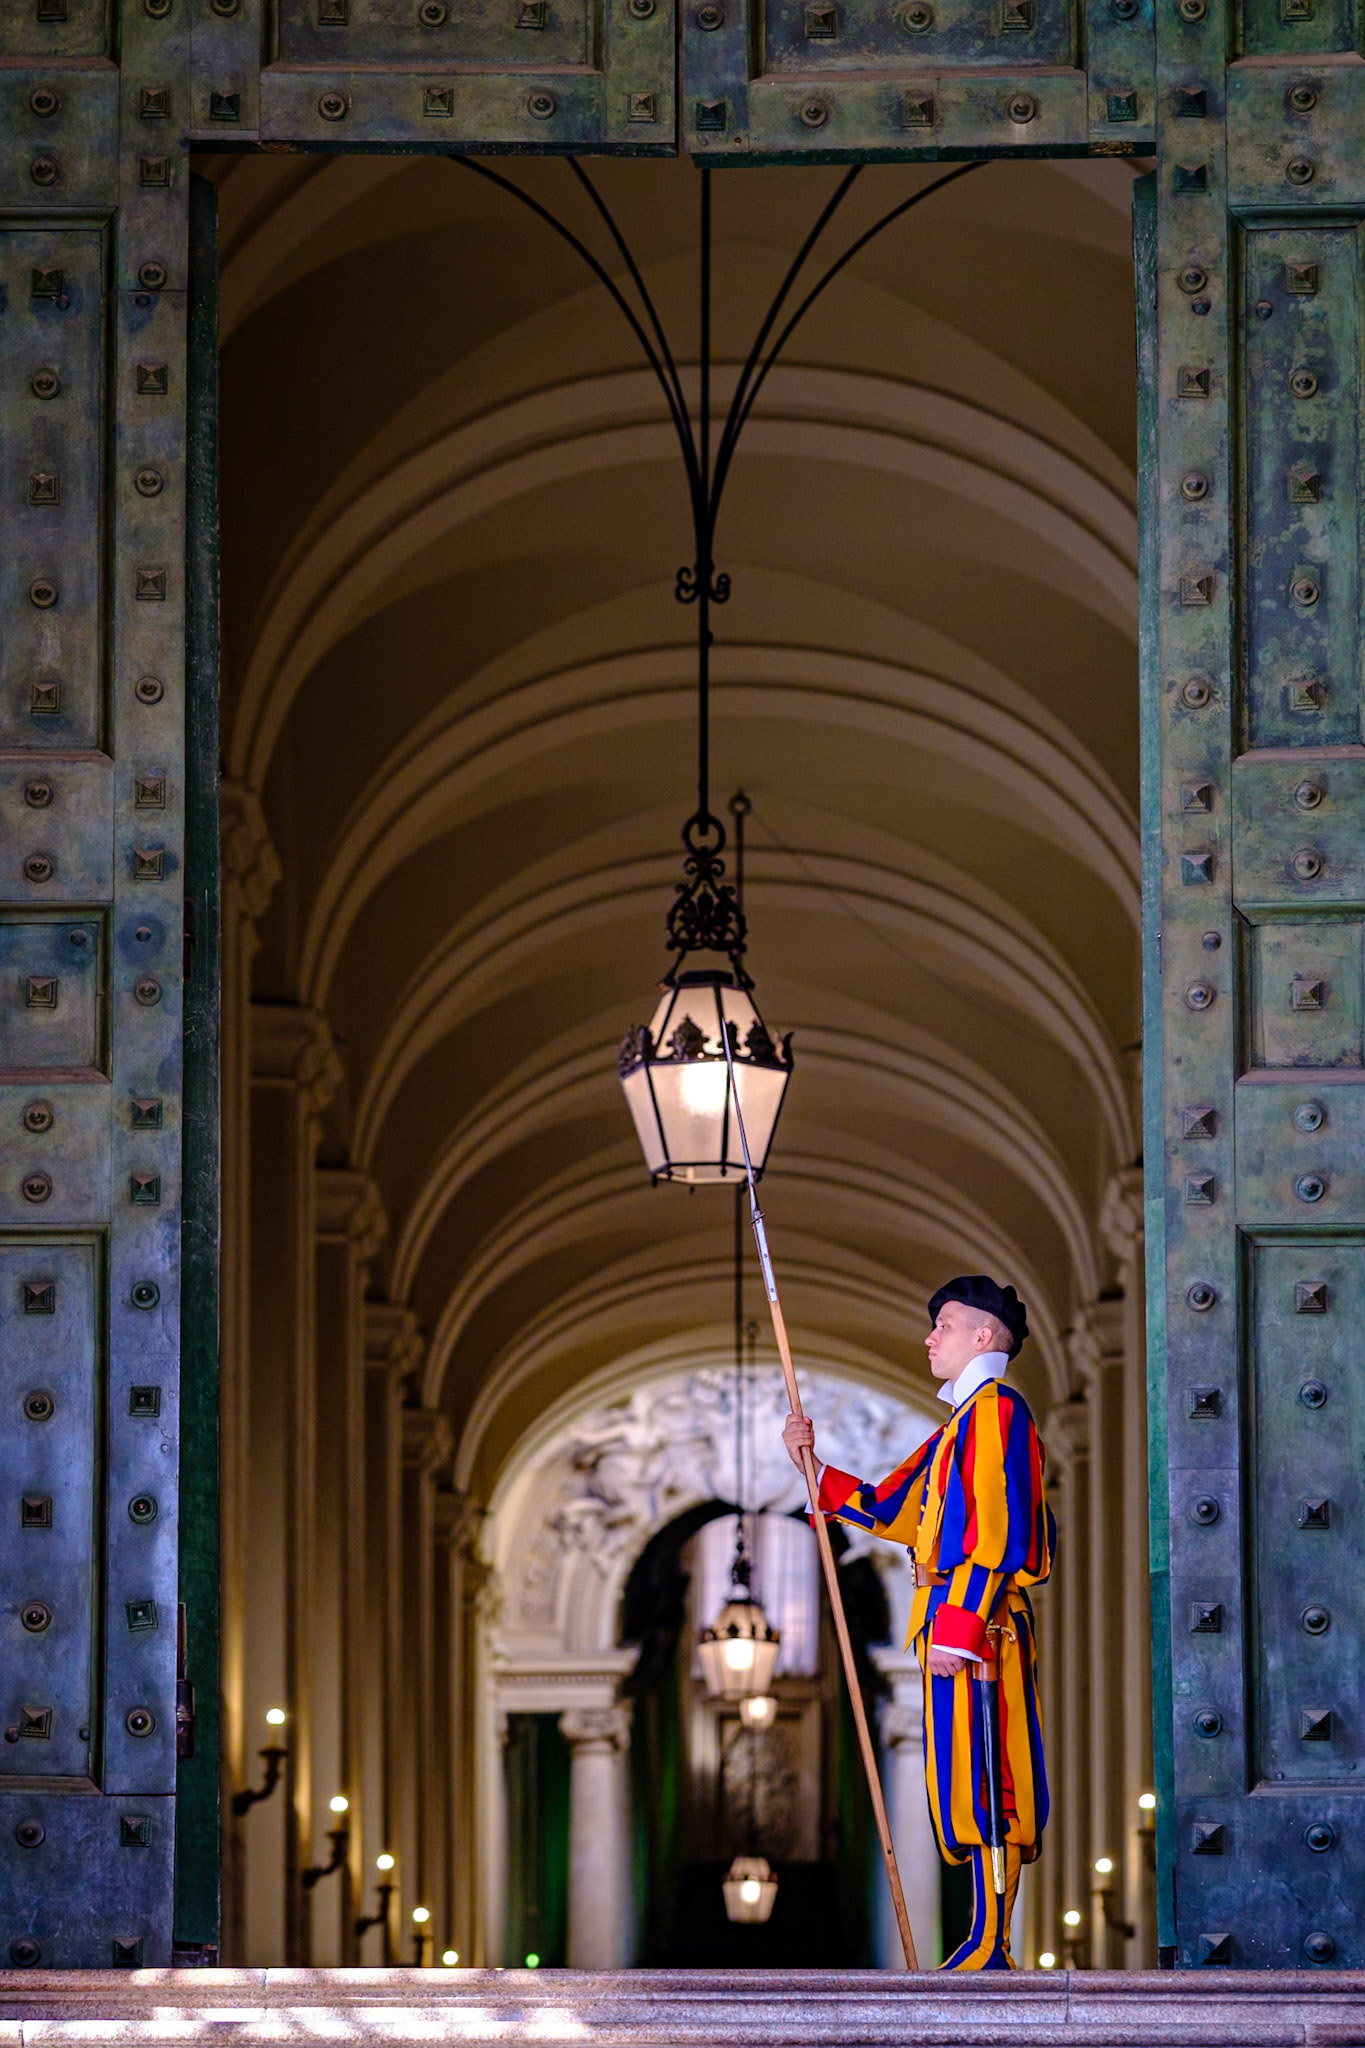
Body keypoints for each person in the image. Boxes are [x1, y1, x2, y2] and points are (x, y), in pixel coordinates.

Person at [782, 1275, 1053, 1971]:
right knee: (960, 1782)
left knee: (992, 1778)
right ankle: (979, 1935)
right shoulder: (957, 1427)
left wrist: (960, 1626)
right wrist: (809, 1464)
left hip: (981, 1630)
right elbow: (891, 1509)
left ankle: (993, 1942)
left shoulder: (996, 1412)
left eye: (946, 1325)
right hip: (954, 1628)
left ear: (984, 1337)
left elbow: (997, 1531)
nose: (930, 1337)